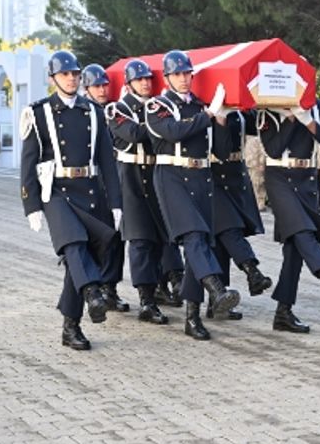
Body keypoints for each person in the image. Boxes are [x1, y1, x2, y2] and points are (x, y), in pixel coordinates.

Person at [19, 50, 122, 351]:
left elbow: (107, 160)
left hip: (89, 189)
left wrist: (116, 202)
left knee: (82, 258)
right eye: (65, 74)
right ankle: (92, 292)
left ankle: (70, 326)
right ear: (53, 78)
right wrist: (31, 204)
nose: (72, 78)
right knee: (74, 244)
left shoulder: (94, 111)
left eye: (75, 73)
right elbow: (28, 161)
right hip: (56, 191)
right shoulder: (38, 112)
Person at [144, 50, 240, 340]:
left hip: (201, 177)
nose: (183, 78)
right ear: (167, 77)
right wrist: (208, 115)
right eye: (177, 74)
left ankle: (192, 317)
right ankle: (217, 289)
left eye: (187, 73)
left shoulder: (201, 106)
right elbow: (173, 132)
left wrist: (220, 119)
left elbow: (221, 151)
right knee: (194, 237)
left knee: (199, 246)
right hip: (172, 177)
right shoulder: (156, 106)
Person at [256, 100, 320, 333]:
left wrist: (308, 121)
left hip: (307, 178)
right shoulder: (268, 109)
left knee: (295, 249)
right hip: (279, 176)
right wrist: (291, 119)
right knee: (302, 230)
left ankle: (283, 313)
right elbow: (273, 149)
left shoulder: (316, 107)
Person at [105, 58, 185, 325]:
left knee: (165, 235)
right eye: (139, 79)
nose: (146, 83)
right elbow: (134, 133)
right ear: (129, 84)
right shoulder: (117, 109)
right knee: (140, 240)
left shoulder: (160, 106)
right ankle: (146, 301)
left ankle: (171, 282)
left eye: (148, 78)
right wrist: (163, 126)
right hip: (130, 178)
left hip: (157, 175)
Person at [209, 108, 273, 319]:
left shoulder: (238, 111)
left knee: (221, 240)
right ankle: (252, 271)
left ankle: (217, 299)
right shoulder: (206, 109)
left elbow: (257, 126)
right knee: (230, 229)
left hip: (235, 175)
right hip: (211, 174)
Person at [81, 63, 130, 313]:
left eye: (104, 85)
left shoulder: (112, 110)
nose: (102, 90)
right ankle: (94, 288)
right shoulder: (82, 112)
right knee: (94, 239)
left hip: (113, 179)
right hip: (89, 182)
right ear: (86, 88)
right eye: (96, 86)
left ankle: (110, 289)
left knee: (116, 237)